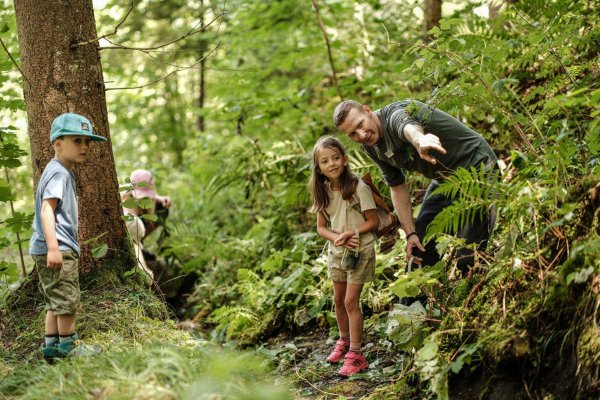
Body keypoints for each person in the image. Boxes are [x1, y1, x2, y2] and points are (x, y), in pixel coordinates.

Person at [333, 99, 498, 273]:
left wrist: (420, 140)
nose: (362, 135)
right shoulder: (371, 147)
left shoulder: (394, 115)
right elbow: (396, 186)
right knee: (418, 250)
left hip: (479, 168)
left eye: (361, 124)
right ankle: (418, 297)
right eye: (353, 134)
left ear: (367, 110)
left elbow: (406, 125)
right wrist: (410, 233)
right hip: (447, 181)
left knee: (468, 260)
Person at [29, 112, 107, 361]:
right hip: (57, 247)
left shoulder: (58, 170)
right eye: (77, 141)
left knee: (55, 299)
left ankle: (51, 348)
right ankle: (69, 349)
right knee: (67, 301)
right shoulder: (60, 173)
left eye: (87, 142)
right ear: (57, 144)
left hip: (51, 246)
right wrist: (54, 247)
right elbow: (46, 209)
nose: (84, 147)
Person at [309, 136, 379, 377]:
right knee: (338, 300)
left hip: (361, 249)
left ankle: (357, 354)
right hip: (337, 251)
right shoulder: (323, 190)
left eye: (336, 158)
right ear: (319, 167)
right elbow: (321, 227)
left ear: (345, 160)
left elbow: (373, 220)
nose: (332, 164)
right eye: (325, 161)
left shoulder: (359, 187)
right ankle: (344, 340)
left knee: (351, 302)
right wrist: (338, 237)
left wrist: (352, 232)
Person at [120, 169, 171, 278]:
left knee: (162, 210)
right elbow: (132, 237)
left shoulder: (150, 199)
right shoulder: (125, 198)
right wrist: (143, 268)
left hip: (138, 227)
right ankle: (139, 246)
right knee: (134, 234)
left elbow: (148, 194)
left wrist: (160, 199)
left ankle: (141, 241)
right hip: (130, 231)